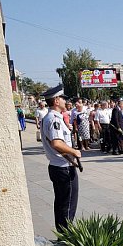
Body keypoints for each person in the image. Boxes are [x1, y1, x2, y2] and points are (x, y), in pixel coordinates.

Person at [40, 85, 81, 232]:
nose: (65, 101)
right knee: (67, 204)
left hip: (59, 166)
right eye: (63, 98)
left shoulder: (51, 118)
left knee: (62, 203)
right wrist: (74, 152)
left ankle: (63, 234)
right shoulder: (53, 119)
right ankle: (66, 237)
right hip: (62, 168)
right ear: (56, 100)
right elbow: (57, 143)